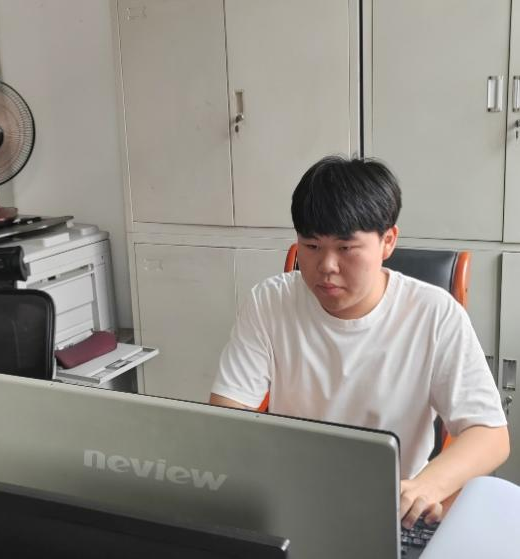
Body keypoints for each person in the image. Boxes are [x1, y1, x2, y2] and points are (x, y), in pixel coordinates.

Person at [209, 155, 509, 528]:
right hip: (290, 500)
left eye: (346, 248)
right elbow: (227, 416)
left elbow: (490, 434)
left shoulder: (434, 314)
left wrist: (427, 486)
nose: (326, 266)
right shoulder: (269, 302)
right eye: (311, 246)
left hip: (388, 507)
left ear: (388, 241)